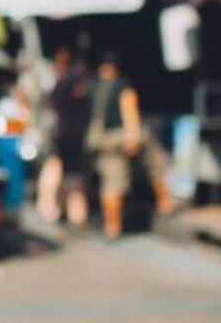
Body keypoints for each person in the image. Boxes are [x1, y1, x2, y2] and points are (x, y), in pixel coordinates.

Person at [86, 52, 174, 239]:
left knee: (111, 182)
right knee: (155, 163)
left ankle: (112, 226)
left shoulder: (92, 87)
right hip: (121, 136)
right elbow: (130, 111)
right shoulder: (122, 87)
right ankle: (164, 202)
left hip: (101, 141)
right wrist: (133, 136)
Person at [37, 47, 90, 227]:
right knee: (71, 175)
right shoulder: (70, 82)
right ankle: (71, 212)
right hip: (70, 135)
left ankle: (58, 208)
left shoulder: (59, 82)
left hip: (62, 133)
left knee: (62, 172)